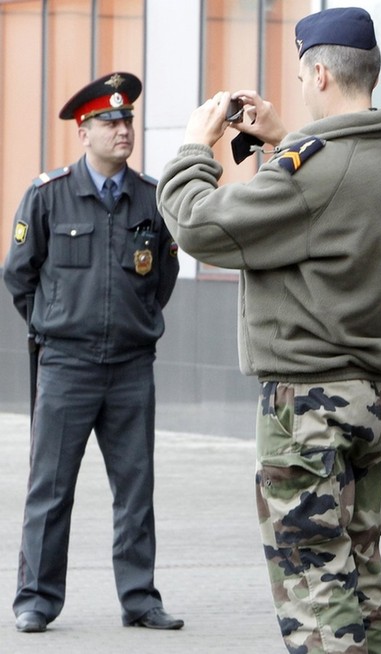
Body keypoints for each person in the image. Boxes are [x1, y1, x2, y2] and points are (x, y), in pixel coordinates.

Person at [156, 8, 381, 654]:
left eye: (304, 76)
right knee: (362, 580)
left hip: (307, 406)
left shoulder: (316, 172)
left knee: (316, 591)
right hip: (367, 396)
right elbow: (331, 210)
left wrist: (196, 146)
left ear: (320, 74)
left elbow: (197, 224)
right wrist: (284, 145)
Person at [3, 72, 183, 634]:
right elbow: (18, 274)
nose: (122, 129)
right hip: (66, 366)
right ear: (84, 132)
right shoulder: (49, 194)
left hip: (131, 366)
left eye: (126, 119)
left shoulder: (150, 199)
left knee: (135, 489)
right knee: (50, 489)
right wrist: (55, 325)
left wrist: (141, 320)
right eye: (109, 122)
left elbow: (164, 275)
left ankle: (139, 598)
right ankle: (36, 598)